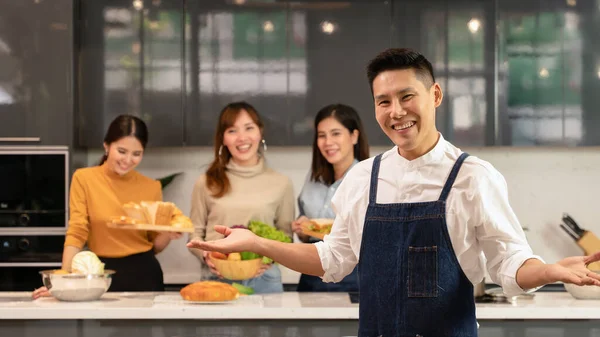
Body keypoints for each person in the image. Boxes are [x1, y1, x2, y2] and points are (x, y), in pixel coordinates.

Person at [188, 48, 600, 336]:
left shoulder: (473, 176)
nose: (396, 111)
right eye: (383, 101)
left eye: (407, 96)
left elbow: (507, 262)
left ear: (434, 94)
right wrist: (259, 243)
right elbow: (331, 260)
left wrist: (547, 271)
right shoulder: (364, 177)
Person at [33, 115, 181, 299]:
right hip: (99, 276)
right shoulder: (84, 179)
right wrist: (62, 282)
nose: (128, 160)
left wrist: (168, 232)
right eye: (121, 151)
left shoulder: (152, 187)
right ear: (106, 145)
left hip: (144, 274)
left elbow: (155, 246)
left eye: (136, 154)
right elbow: (77, 233)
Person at [188, 101, 295, 294]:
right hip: (217, 278)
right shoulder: (206, 182)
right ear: (223, 138)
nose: (242, 138)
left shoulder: (282, 183)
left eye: (249, 128)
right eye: (232, 131)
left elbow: (285, 236)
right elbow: (194, 234)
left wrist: (269, 260)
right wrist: (206, 256)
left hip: (265, 279)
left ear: (260, 133)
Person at [292, 103, 369, 292]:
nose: (328, 142)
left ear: (354, 136)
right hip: (311, 274)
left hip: (353, 277)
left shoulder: (368, 178)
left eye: (336, 133)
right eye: (321, 135)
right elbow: (308, 231)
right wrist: (303, 230)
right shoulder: (313, 179)